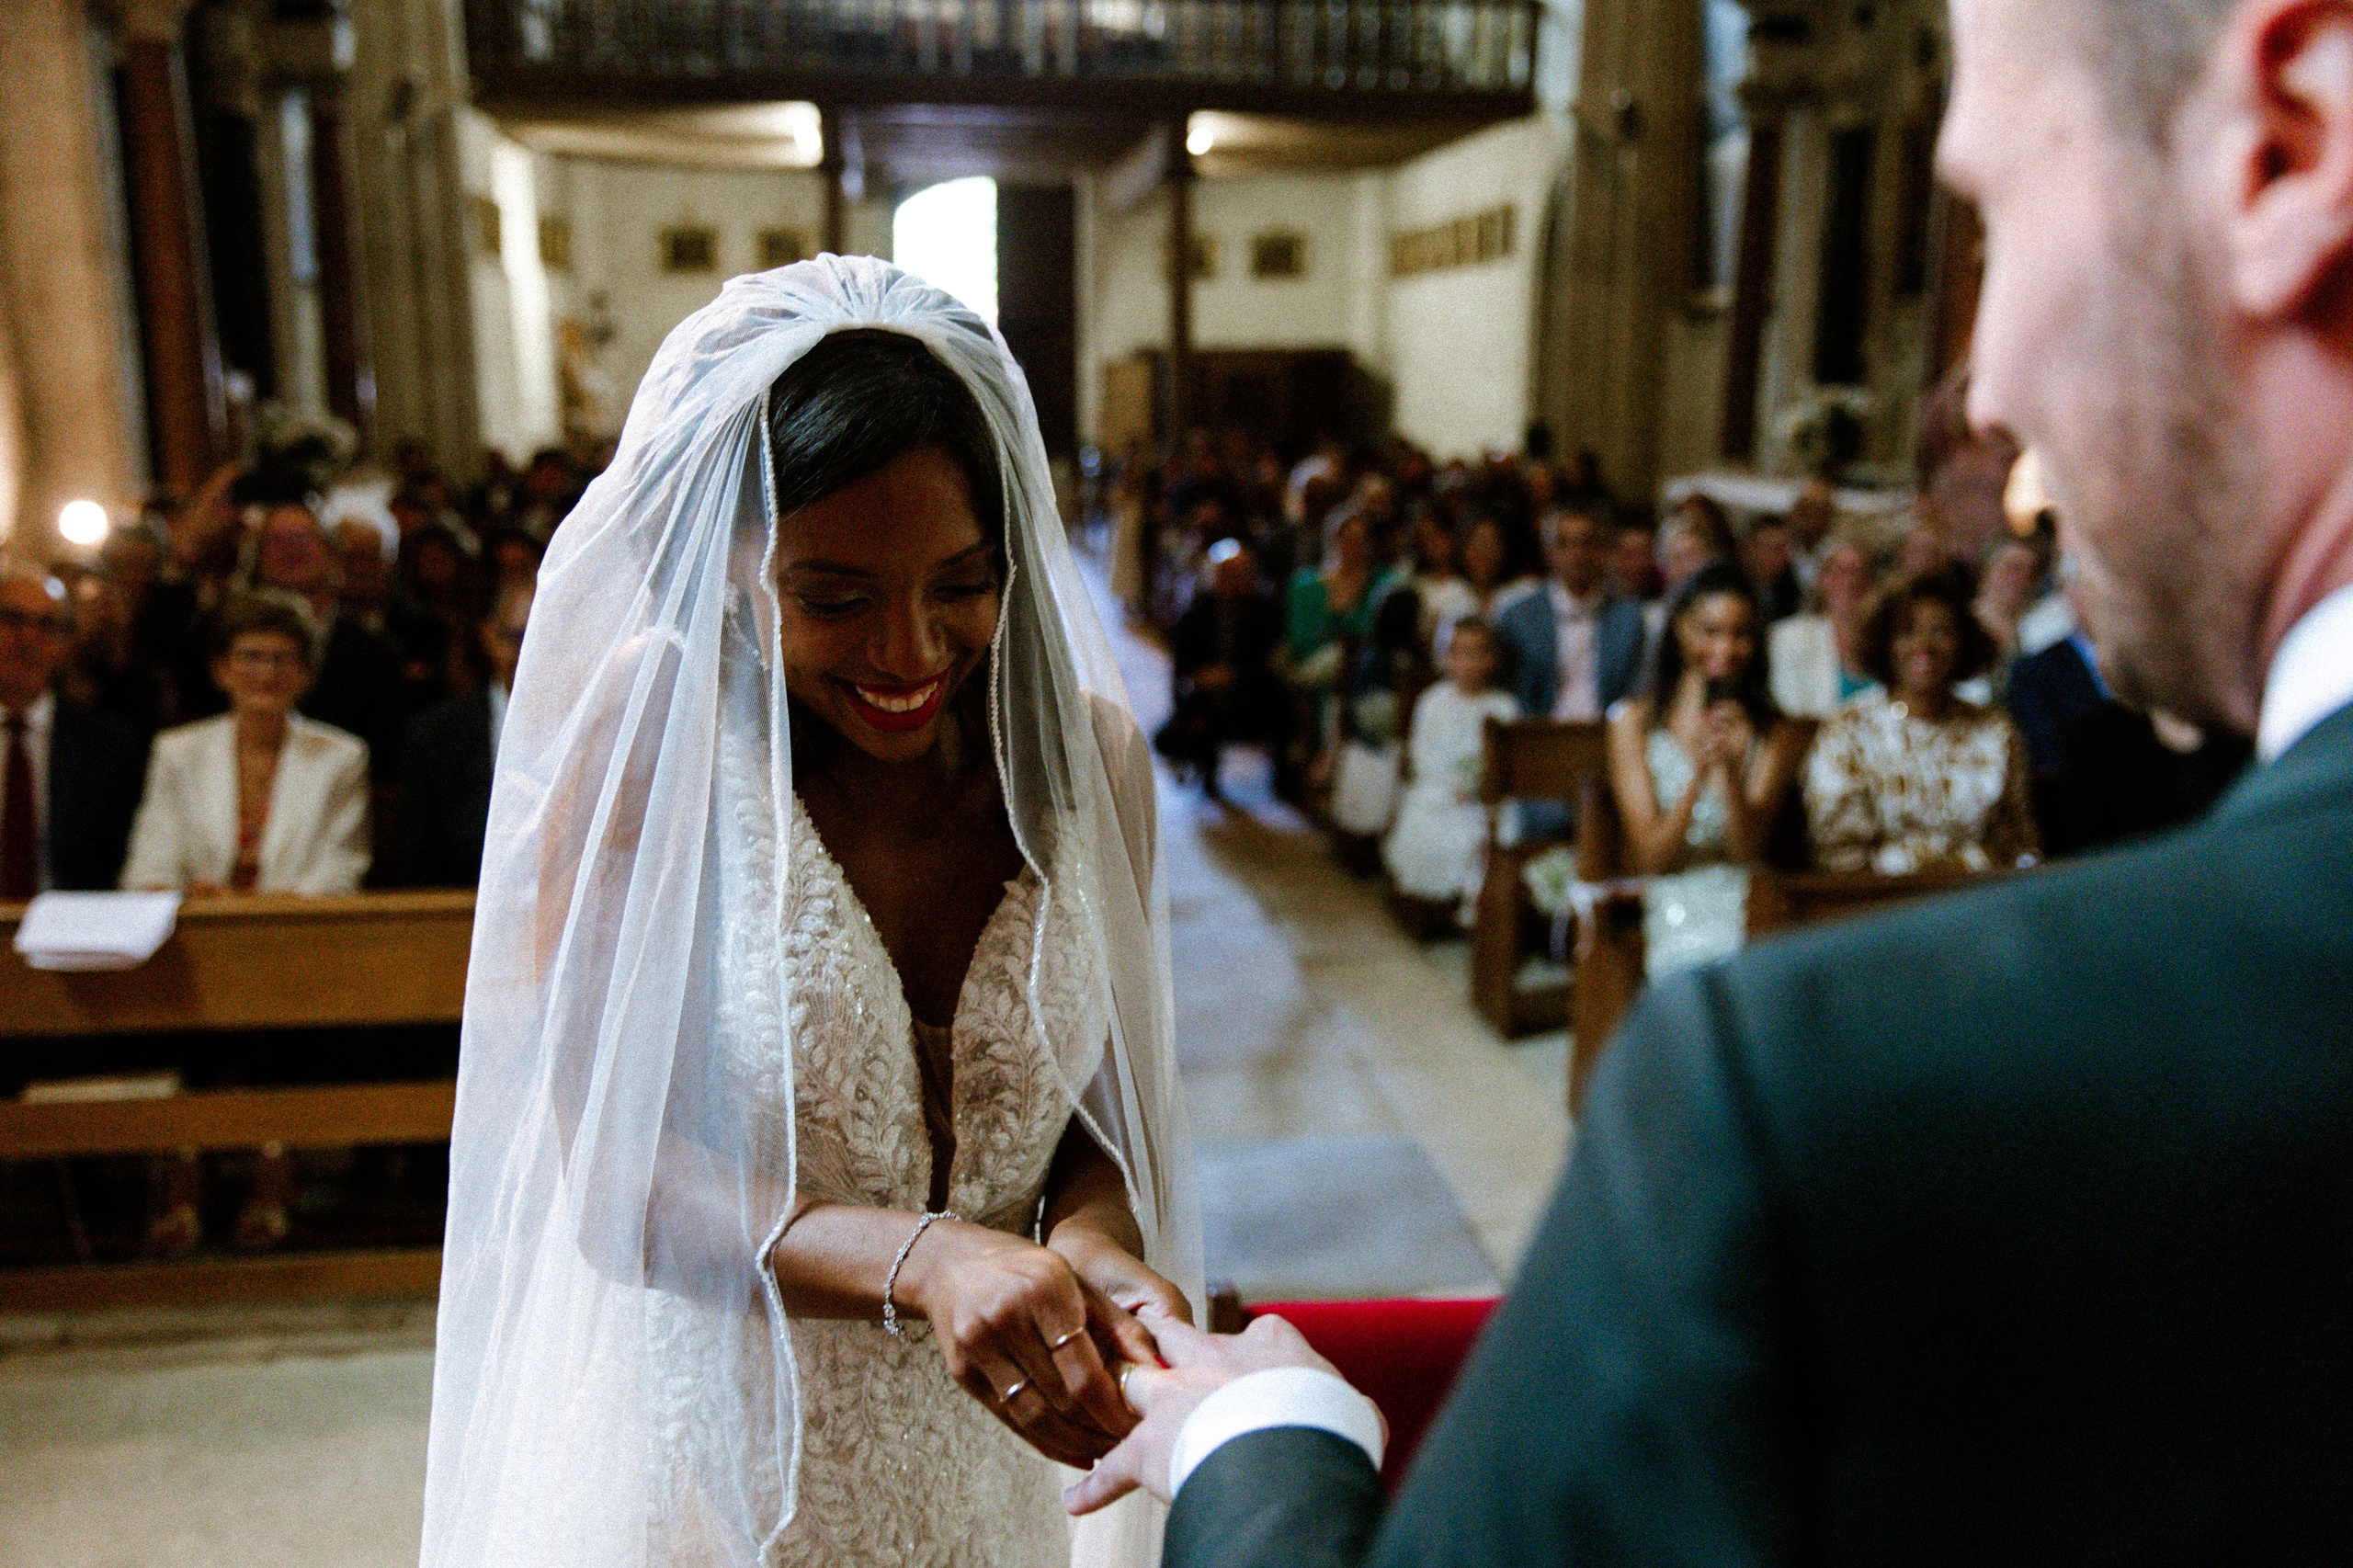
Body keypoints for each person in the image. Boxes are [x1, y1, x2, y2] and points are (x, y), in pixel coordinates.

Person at [1064, 3, 2353, 1555]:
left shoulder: (1819, 1109)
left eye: (1996, 218)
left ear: (2290, 148)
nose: (1984, 389)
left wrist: (1260, 1440)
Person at [419, 259, 1198, 1568]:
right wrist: (927, 1260)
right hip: (731, 1469)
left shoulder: (1092, 765)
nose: (909, 652)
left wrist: (1096, 1246)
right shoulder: (652, 745)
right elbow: (618, 1184)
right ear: (730, 560)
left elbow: (1095, 1119)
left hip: (996, 1468)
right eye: (834, 598)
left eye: (960, 582)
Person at [1602, 564, 1807, 976]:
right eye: (1710, 632)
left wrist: (1726, 772)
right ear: (1680, 630)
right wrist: (1697, 774)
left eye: (1740, 634)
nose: (1726, 649)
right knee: (1691, 971)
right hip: (1672, 894)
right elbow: (1650, 858)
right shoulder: (1634, 721)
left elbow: (1749, 852)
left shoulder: (1775, 730)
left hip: (1750, 895)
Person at [120, 596, 370, 896]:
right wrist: (189, 897)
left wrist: (256, 910)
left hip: (299, 931)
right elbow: (149, 863)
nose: (267, 673)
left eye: (282, 658)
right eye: (252, 656)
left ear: (307, 674)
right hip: (200, 928)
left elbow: (339, 869)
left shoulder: (342, 757)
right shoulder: (177, 751)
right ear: (221, 670)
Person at [1804, 572, 2040, 873]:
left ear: (1962, 642)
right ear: (1885, 643)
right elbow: (1838, 852)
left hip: (1984, 898)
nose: (1924, 646)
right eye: (1906, 632)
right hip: (1882, 902)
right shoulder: (1847, 729)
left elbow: (2019, 843)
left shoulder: (1994, 729)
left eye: (1941, 632)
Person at [0, 566, 147, 895]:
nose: (28, 638)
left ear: (66, 645)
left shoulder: (108, 745)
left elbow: (112, 864)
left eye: (48, 626)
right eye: (12, 620)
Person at [392, 582, 532, 886]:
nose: (531, 652)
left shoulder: (599, 729)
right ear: (489, 636)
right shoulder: (436, 736)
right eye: (517, 637)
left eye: (544, 636)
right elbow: (416, 866)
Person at [1381, 618, 1516, 908]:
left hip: (1486, 795)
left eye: (1478, 653)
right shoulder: (1433, 701)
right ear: (1446, 658)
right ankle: (1430, 900)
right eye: (1460, 653)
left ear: (1491, 659)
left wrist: (1482, 783)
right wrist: (1453, 783)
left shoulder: (1504, 706)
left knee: (1498, 827)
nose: (1469, 662)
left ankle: (1478, 905)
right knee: (1431, 821)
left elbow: (1507, 759)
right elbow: (1422, 752)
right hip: (1440, 788)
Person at [1492, 506, 1646, 725]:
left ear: (1602, 550)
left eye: (1586, 543)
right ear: (1548, 551)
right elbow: (1505, 693)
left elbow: (1635, 690)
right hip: (1536, 736)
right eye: (1564, 544)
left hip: (1607, 736)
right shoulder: (1518, 618)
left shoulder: (1627, 617)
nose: (1577, 554)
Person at [1156, 539, 1285, 798]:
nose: (1233, 581)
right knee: (1169, 738)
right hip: (1206, 695)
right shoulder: (1197, 612)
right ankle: (1206, 768)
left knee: (1280, 705)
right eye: (1227, 574)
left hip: (1248, 692)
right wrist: (1196, 683)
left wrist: (1233, 675)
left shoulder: (1262, 612)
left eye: (1240, 574)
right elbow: (1182, 668)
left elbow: (1267, 662)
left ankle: (1284, 778)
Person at [1768, 535, 1878, 717]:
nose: (1849, 581)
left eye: (1858, 571)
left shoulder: (1884, 639)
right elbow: (1790, 709)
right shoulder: (1790, 635)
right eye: (1840, 571)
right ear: (1823, 579)